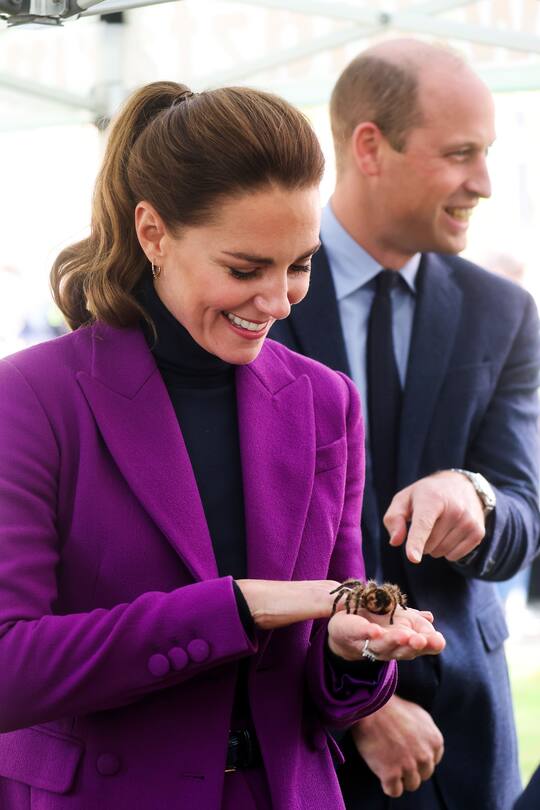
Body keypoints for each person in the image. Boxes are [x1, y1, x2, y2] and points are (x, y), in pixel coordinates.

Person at [0, 82, 445, 810]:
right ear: (153, 233)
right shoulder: (32, 397)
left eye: (300, 265)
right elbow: (9, 668)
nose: (278, 302)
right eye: (244, 270)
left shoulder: (327, 401)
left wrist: (355, 649)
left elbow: (328, 662)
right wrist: (238, 607)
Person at [271, 39, 540, 810]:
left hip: (467, 730)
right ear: (369, 147)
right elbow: (222, 546)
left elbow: (525, 513)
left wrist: (475, 497)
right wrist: (358, 701)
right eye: (461, 154)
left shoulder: (503, 311)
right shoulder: (259, 294)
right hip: (304, 728)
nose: (484, 184)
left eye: (487, 155)